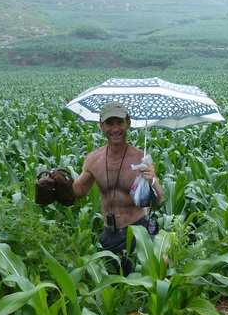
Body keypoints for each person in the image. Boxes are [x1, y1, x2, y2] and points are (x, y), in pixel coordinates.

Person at [70, 101, 163, 275]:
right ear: (101, 125)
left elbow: (157, 200)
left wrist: (152, 180)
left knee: (158, 267)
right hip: (110, 235)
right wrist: (59, 184)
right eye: (110, 123)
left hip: (138, 230)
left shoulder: (140, 158)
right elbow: (80, 190)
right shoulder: (93, 159)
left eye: (119, 122)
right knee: (114, 288)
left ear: (128, 123)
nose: (115, 128)